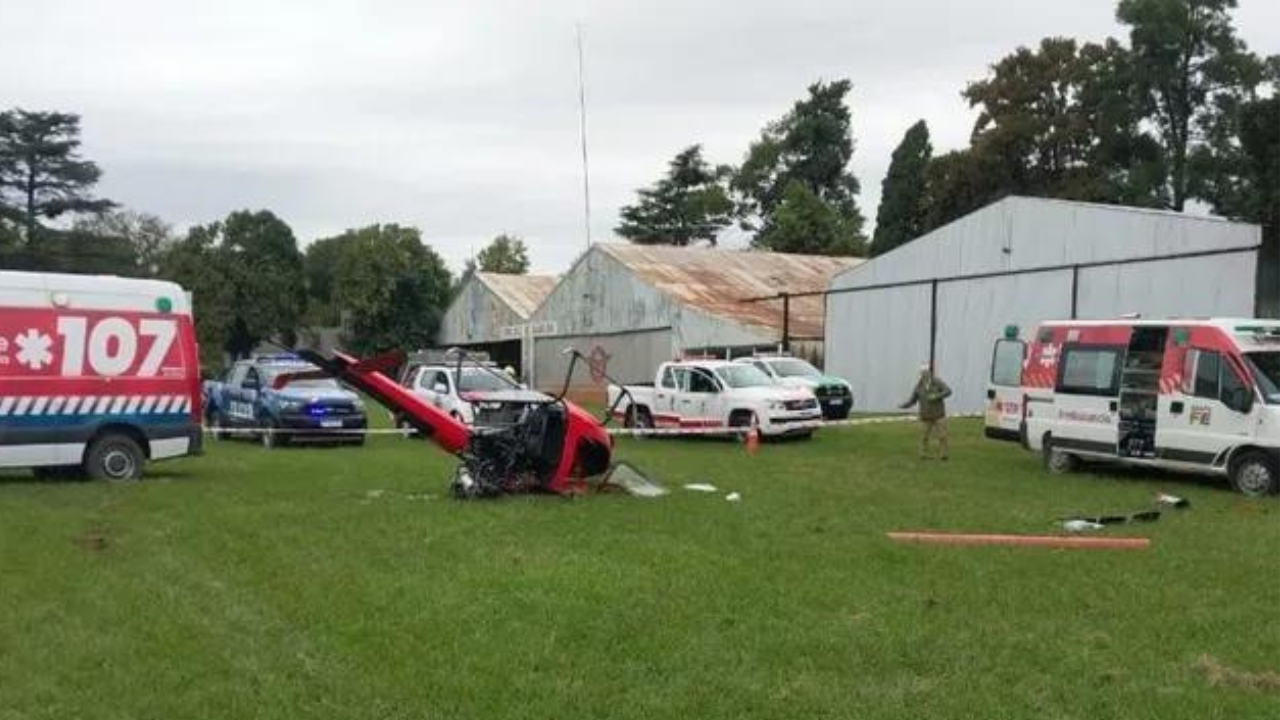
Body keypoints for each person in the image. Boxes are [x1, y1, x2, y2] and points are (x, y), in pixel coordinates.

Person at [900, 364, 952, 460]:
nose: (924, 374)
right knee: (924, 437)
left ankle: (944, 455)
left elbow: (948, 391)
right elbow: (912, 401)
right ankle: (923, 455)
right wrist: (904, 406)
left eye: (926, 372)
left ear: (929, 372)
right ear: (921, 374)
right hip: (925, 416)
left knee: (942, 436)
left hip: (939, 415)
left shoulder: (937, 382)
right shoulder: (918, 386)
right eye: (922, 372)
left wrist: (936, 396)